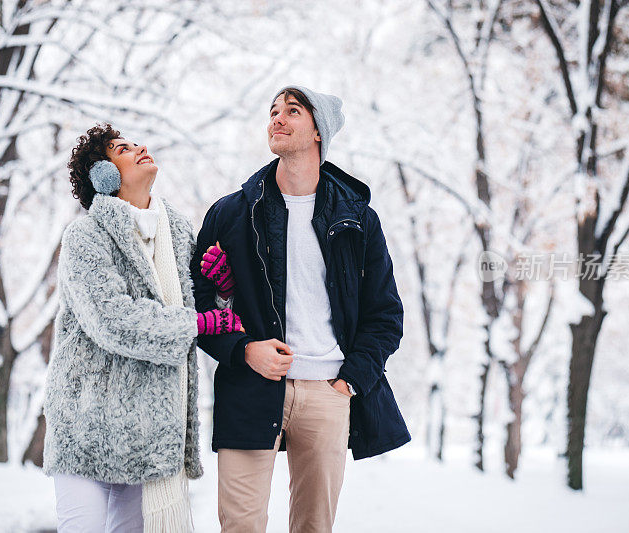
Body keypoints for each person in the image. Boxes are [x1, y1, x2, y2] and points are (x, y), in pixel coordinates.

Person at [190, 86, 411, 533]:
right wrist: (244, 349)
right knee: (240, 525)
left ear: (318, 132)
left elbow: (385, 314)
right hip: (248, 386)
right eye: (273, 111)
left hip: (327, 392)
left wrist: (351, 380)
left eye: (292, 111)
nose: (278, 118)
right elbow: (197, 302)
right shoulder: (232, 213)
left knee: (314, 527)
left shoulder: (358, 219)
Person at [43, 123, 244, 532]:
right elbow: (113, 320)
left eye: (137, 143)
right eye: (123, 148)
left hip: (147, 435)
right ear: (104, 174)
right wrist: (199, 321)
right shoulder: (85, 237)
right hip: (87, 427)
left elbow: (202, 304)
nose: (141, 148)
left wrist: (222, 291)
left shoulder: (179, 232)